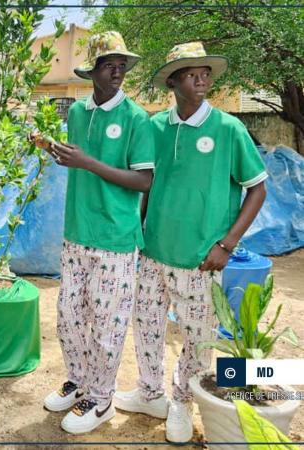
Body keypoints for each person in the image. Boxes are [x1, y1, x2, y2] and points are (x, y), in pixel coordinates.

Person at [114, 42, 267, 443]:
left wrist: (227, 244)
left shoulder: (229, 130)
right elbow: (147, 185)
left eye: (206, 73)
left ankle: (182, 401)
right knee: (146, 326)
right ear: (172, 81)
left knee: (198, 339)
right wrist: (138, 234)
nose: (202, 78)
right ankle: (151, 393)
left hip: (201, 259)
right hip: (152, 253)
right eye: (190, 72)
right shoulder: (154, 128)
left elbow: (257, 190)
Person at [40, 31, 155, 434]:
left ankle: (102, 398)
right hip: (77, 233)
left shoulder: (137, 119)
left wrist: (87, 162)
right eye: (110, 65)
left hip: (116, 238)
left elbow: (143, 181)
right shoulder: (76, 114)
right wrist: (59, 153)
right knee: (70, 318)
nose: (118, 71)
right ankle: (80, 382)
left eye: (122, 65)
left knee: (107, 323)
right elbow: (79, 163)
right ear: (93, 71)